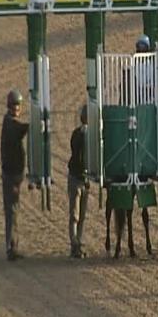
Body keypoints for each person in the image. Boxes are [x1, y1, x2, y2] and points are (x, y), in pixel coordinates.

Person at [0, 89, 30, 261]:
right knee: (12, 211)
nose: (18, 108)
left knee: (13, 211)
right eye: (16, 105)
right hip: (11, 176)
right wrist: (34, 124)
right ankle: (11, 248)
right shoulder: (10, 123)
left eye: (19, 105)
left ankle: (13, 246)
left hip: (12, 175)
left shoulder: (9, 121)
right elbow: (20, 130)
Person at [68, 105, 89, 258]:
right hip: (76, 178)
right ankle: (74, 244)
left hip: (84, 179)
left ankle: (78, 243)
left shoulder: (88, 135)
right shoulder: (78, 134)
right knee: (74, 215)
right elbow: (77, 153)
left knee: (81, 215)